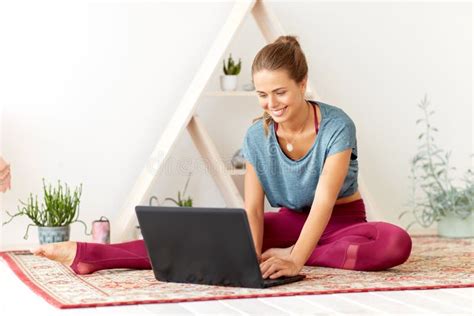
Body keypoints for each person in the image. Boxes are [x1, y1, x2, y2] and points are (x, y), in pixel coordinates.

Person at [32, 35, 412, 278]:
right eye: (262, 95)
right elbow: (251, 210)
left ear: (302, 82)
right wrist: (247, 256)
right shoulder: (256, 136)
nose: (271, 104)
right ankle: (90, 254)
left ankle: (305, 254)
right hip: (287, 223)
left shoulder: (336, 126)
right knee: (209, 240)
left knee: (395, 243)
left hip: (341, 224)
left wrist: (296, 258)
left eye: (280, 92)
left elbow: (324, 204)